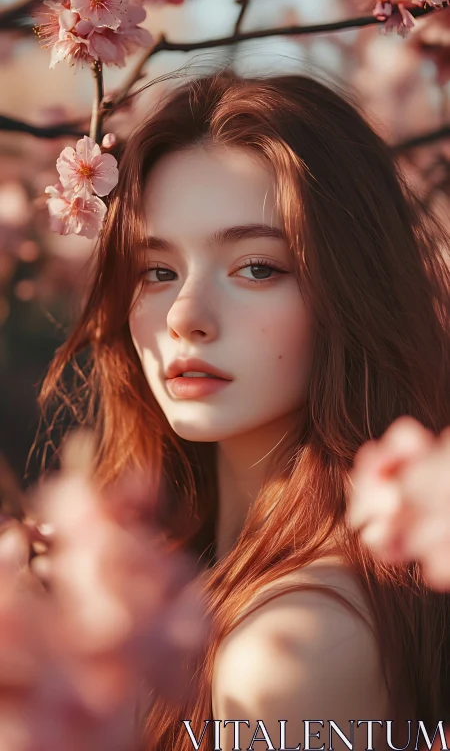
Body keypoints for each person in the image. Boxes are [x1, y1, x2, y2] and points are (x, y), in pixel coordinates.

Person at [36, 69, 450, 751]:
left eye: (257, 267)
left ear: (350, 291)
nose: (187, 318)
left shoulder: (292, 650)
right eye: (156, 271)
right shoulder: (182, 582)